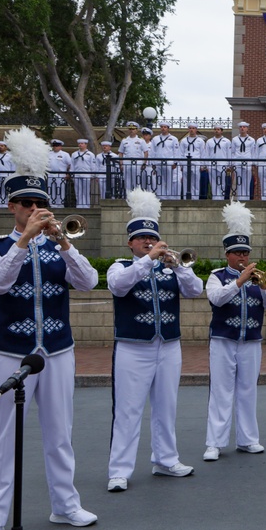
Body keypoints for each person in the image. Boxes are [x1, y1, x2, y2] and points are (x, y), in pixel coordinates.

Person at [0, 127, 98, 530]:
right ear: (11, 205)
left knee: (60, 433)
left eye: (41, 204)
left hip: (57, 349)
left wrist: (64, 243)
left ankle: (65, 505)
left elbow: (89, 282)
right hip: (8, 351)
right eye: (28, 203)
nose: (36, 209)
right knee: (4, 439)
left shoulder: (59, 244)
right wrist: (24, 239)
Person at [107, 189, 203, 491]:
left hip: (169, 345)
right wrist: (148, 259)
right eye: (141, 238)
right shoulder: (121, 266)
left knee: (166, 405)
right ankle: (119, 470)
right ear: (130, 242)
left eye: (152, 238)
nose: (148, 242)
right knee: (127, 409)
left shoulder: (170, 267)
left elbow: (195, 290)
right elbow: (119, 287)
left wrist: (178, 266)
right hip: (133, 347)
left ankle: (165, 459)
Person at [204, 203, 266, 461]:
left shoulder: (258, 280)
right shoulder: (216, 276)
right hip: (223, 340)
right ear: (227, 255)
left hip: (251, 341)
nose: (242, 258)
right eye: (237, 253)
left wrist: (263, 287)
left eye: (245, 253)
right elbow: (217, 299)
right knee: (221, 390)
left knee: (248, 389)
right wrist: (239, 282)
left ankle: (248, 439)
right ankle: (215, 442)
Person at [150, 122, 180, 200]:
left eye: (165, 127)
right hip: (158, 162)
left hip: (169, 162)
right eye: (162, 127)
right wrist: (152, 163)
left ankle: (169, 197)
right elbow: (152, 151)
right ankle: (161, 197)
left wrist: (175, 162)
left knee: (169, 181)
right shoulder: (155, 139)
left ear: (168, 128)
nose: (163, 128)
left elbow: (176, 151)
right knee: (159, 180)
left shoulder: (173, 139)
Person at [179, 123, 207, 200]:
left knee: (195, 182)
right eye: (190, 128)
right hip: (186, 163)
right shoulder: (184, 141)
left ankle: (195, 198)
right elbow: (181, 153)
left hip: (196, 163)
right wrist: (181, 164)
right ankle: (186, 198)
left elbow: (202, 153)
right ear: (188, 129)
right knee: (186, 182)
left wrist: (202, 165)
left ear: (196, 130)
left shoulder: (200, 141)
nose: (191, 130)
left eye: (193, 128)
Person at [206, 126, 233, 200]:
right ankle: (215, 197)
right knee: (213, 182)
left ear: (221, 131)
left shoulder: (226, 141)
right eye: (215, 129)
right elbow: (207, 154)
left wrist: (229, 164)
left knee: (222, 182)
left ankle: (221, 198)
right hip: (212, 164)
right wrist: (207, 165)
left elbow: (229, 153)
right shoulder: (209, 141)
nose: (216, 131)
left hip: (223, 164)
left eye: (218, 130)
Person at [231, 122, 256, 201]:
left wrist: (253, 163)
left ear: (247, 129)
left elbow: (253, 152)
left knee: (247, 182)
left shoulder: (251, 140)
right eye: (241, 127)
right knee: (239, 181)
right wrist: (233, 163)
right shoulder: (235, 139)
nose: (242, 128)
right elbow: (233, 152)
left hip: (247, 162)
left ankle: (246, 198)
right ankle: (239, 199)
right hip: (238, 162)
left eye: (244, 127)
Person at [69, 139, 95, 209]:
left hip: (86, 174)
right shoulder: (74, 154)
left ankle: (86, 205)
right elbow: (72, 165)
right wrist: (72, 173)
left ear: (86, 145)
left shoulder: (90, 154)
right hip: (77, 174)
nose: (80, 145)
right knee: (77, 190)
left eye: (82, 143)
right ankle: (79, 204)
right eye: (79, 143)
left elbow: (92, 165)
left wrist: (93, 175)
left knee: (86, 190)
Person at [47, 139, 71, 207]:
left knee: (60, 190)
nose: (55, 147)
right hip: (50, 174)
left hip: (60, 174)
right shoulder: (49, 154)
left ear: (60, 146)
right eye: (54, 146)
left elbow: (69, 164)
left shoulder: (65, 154)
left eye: (57, 146)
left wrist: (68, 173)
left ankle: (60, 204)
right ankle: (52, 204)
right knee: (51, 190)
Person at [0, 140, 14, 205]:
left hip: (7, 176)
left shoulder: (10, 156)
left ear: (6, 147)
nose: (0, 147)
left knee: (6, 191)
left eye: (2, 146)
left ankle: (6, 204)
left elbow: (13, 166)